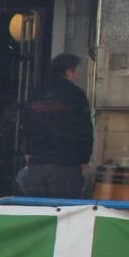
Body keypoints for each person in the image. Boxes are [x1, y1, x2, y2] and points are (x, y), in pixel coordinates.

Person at [18, 53, 94, 199]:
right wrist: (85, 160)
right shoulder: (76, 95)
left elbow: (25, 126)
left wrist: (28, 152)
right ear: (68, 72)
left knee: (39, 215)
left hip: (37, 167)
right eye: (77, 73)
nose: (78, 77)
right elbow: (85, 131)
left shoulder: (36, 93)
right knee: (65, 214)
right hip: (66, 167)